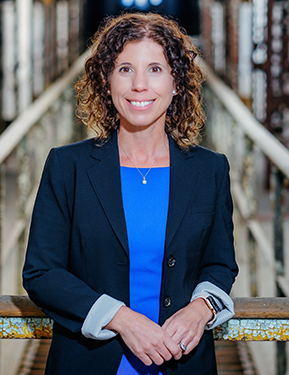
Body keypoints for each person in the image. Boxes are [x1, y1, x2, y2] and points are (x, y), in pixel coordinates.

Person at [23, 12, 238, 375]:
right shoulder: (67, 166)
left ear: (177, 84)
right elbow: (42, 272)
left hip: (180, 361)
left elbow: (219, 264)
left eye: (155, 69)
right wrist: (121, 319)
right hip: (87, 362)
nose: (140, 85)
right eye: (125, 69)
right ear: (107, 83)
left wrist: (201, 308)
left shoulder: (209, 170)